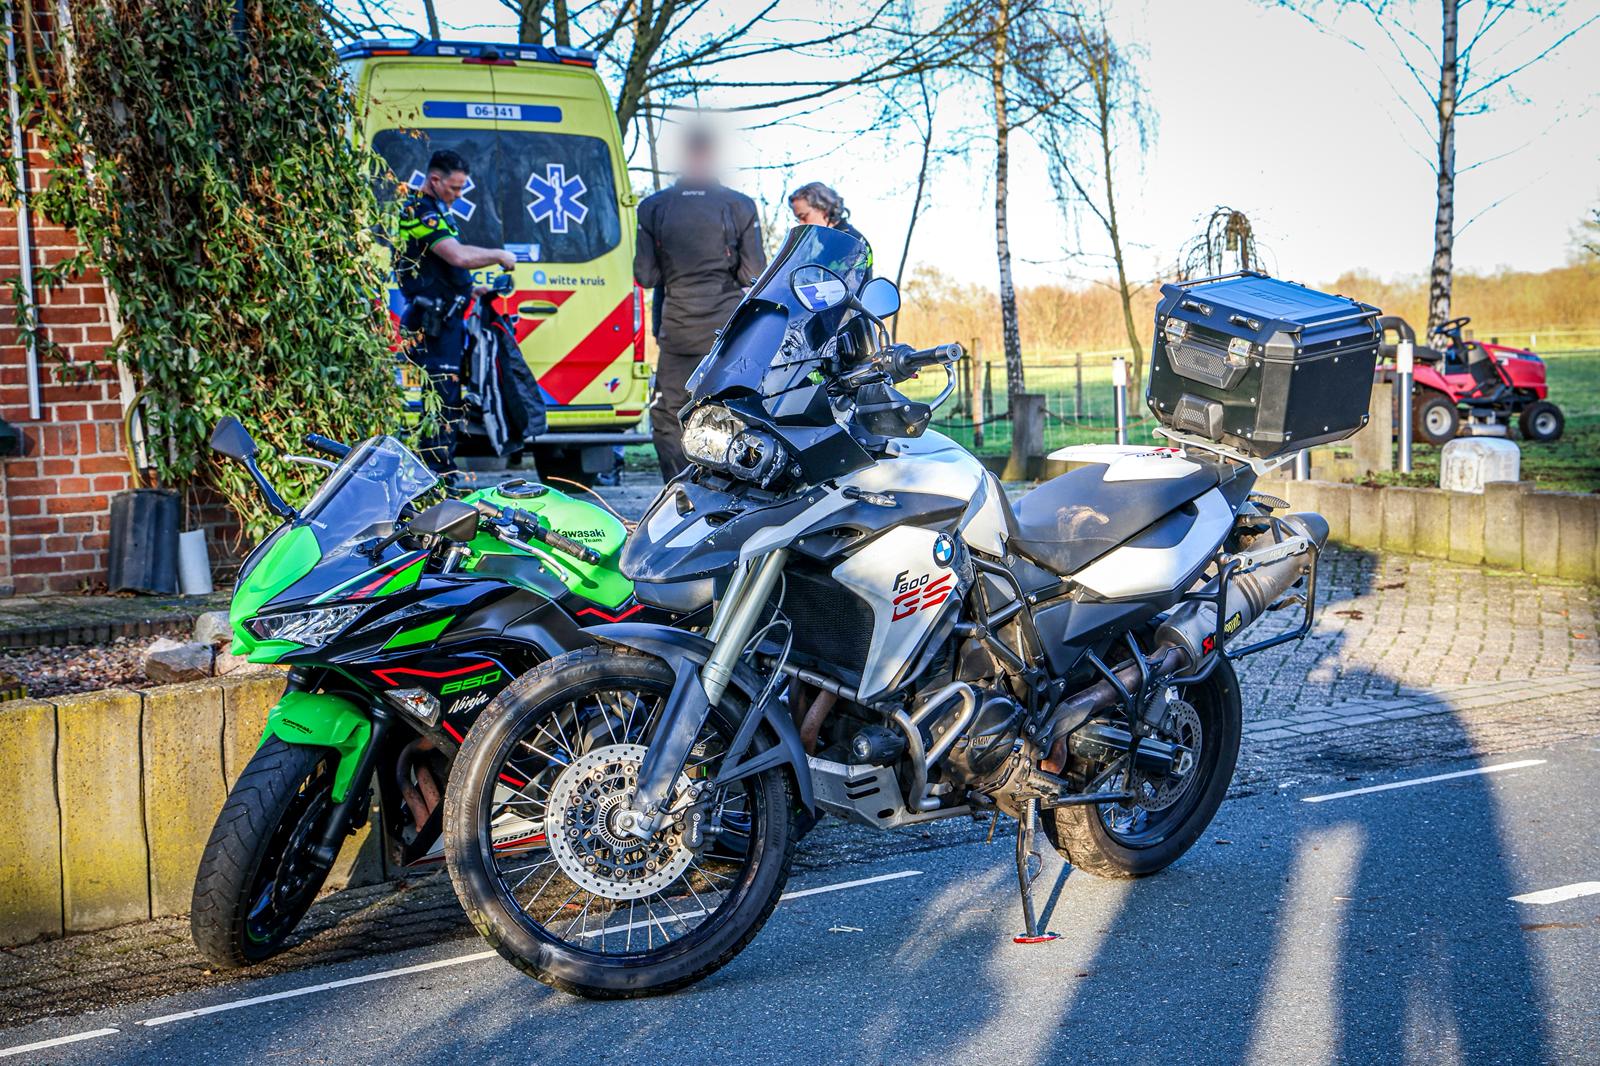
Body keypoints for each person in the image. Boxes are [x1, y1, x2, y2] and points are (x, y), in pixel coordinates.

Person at [635, 127, 766, 481]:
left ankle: (678, 492)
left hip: (676, 332)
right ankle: (728, 490)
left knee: (667, 417)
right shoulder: (739, 206)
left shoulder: (653, 208)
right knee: (731, 410)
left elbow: (645, 276)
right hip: (726, 334)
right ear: (711, 155)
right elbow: (753, 273)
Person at [396, 149, 517, 472]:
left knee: (449, 396)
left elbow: (450, 262)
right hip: (432, 320)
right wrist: (498, 255)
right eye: (455, 187)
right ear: (435, 180)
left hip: (447, 319)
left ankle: (439, 468)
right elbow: (457, 256)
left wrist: (469, 288)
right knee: (440, 396)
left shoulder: (438, 208)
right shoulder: (420, 211)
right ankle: (436, 473)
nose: (459, 194)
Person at [789, 181, 869, 252]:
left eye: (804, 217)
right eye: (798, 219)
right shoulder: (825, 241)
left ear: (823, 208)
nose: (800, 223)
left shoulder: (850, 240)